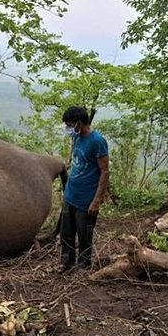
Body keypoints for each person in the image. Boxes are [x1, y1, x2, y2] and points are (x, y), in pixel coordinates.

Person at [59, 106, 109, 272]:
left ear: (79, 123)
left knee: (84, 235)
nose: (68, 128)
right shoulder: (77, 138)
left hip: (86, 199)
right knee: (66, 233)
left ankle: (83, 267)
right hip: (71, 195)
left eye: (69, 124)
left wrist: (96, 200)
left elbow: (104, 171)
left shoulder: (97, 141)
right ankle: (66, 263)